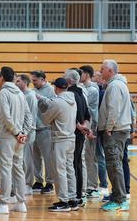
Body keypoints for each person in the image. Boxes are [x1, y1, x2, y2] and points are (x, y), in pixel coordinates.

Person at [0, 67, 33, 214]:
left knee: (6, 169)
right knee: (18, 169)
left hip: (8, 136)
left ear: (1, 77)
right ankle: (21, 203)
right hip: (19, 137)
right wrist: (23, 133)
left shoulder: (3, 93)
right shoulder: (20, 93)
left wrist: (17, 132)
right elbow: (29, 117)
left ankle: (4, 203)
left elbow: (6, 117)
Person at [37, 78, 77, 212]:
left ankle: (63, 201)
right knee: (69, 170)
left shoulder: (57, 102)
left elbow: (45, 119)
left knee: (59, 171)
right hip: (71, 138)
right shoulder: (72, 99)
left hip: (60, 140)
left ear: (56, 88)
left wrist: (43, 104)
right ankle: (72, 199)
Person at [98, 59, 132, 212]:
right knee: (114, 164)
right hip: (118, 129)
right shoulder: (118, 84)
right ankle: (117, 195)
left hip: (115, 130)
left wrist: (109, 128)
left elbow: (114, 109)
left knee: (114, 165)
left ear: (110, 71)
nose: (100, 71)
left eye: (102, 69)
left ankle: (120, 199)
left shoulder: (115, 86)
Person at [64, 69, 91, 208]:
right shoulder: (81, 94)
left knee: (72, 165)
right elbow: (87, 115)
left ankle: (74, 195)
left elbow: (69, 115)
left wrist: (79, 126)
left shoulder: (70, 94)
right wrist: (84, 126)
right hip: (80, 134)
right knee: (78, 164)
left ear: (69, 81)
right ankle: (79, 195)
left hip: (73, 134)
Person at [30, 70, 56, 194]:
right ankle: (38, 180)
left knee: (48, 157)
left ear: (42, 79)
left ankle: (50, 182)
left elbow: (54, 105)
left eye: (35, 80)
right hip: (34, 128)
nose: (33, 82)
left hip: (46, 128)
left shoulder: (51, 90)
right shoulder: (33, 90)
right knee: (35, 157)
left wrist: (41, 98)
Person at [79, 65, 101, 199]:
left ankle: (93, 186)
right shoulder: (84, 88)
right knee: (85, 157)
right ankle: (87, 184)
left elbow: (89, 111)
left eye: (81, 74)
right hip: (84, 126)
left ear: (86, 75)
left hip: (90, 126)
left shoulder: (92, 90)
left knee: (90, 157)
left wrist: (92, 130)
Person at [15, 74, 37, 195]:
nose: (16, 83)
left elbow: (31, 116)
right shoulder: (21, 95)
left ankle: (28, 183)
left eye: (18, 81)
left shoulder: (30, 96)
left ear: (25, 83)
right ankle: (20, 182)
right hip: (22, 131)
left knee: (28, 159)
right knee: (21, 159)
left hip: (28, 131)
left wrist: (26, 132)